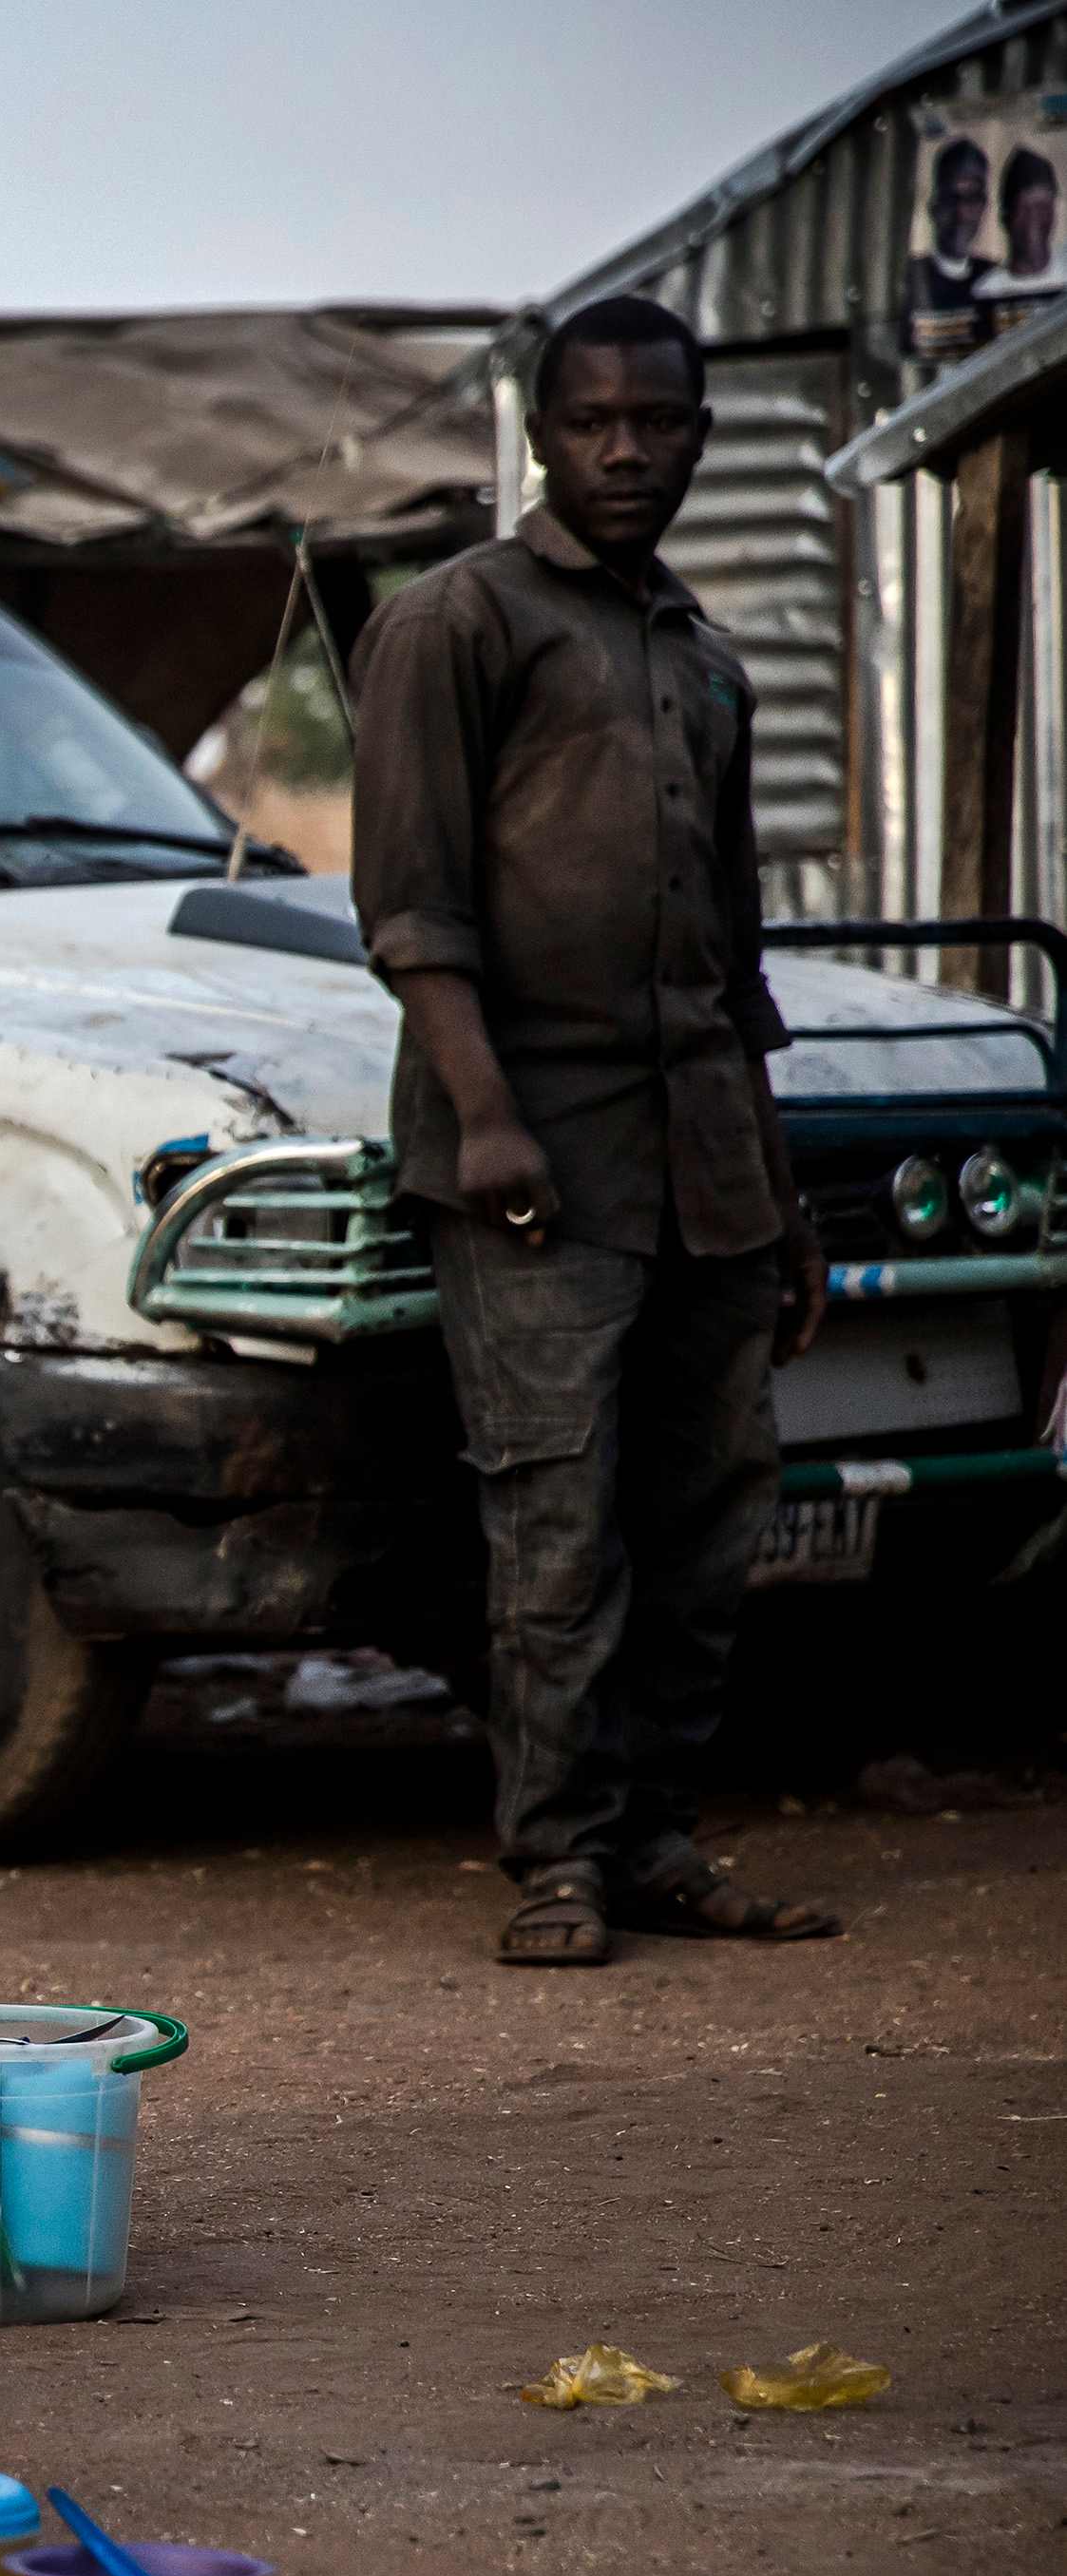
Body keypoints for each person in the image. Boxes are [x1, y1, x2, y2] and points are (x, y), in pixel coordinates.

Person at [351, 294, 834, 1970]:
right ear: (539, 434)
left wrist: (777, 1188)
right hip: (533, 1159)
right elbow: (410, 908)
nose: (628, 448)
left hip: (705, 1158)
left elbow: (736, 956)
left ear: (703, 437)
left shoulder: (703, 658)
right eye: (596, 420)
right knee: (557, 1522)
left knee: (709, 1513)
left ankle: (656, 1841)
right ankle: (555, 1861)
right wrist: (486, 1120)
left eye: (661, 421)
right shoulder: (456, 623)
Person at [914, 137, 998, 356]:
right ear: (934, 206)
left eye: (972, 198)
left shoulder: (995, 278)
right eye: (953, 198)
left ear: (984, 206)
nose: (962, 213)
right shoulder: (911, 281)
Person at [997, 147, 1060, 295]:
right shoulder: (986, 292)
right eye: (1024, 209)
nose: (1034, 220)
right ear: (1005, 216)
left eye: (1042, 208)